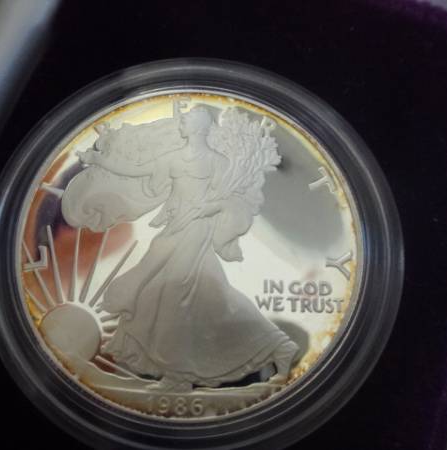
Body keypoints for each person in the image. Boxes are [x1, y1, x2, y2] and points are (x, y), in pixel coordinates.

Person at [77, 107, 298, 391]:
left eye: (187, 120)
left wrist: (209, 208)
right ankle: (279, 346)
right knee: (208, 297)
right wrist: (98, 159)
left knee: (174, 293)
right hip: (176, 228)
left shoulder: (218, 162)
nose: (181, 122)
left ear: (198, 127)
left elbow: (232, 200)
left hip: (197, 230)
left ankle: (178, 375)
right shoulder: (174, 158)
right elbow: (136, 170)